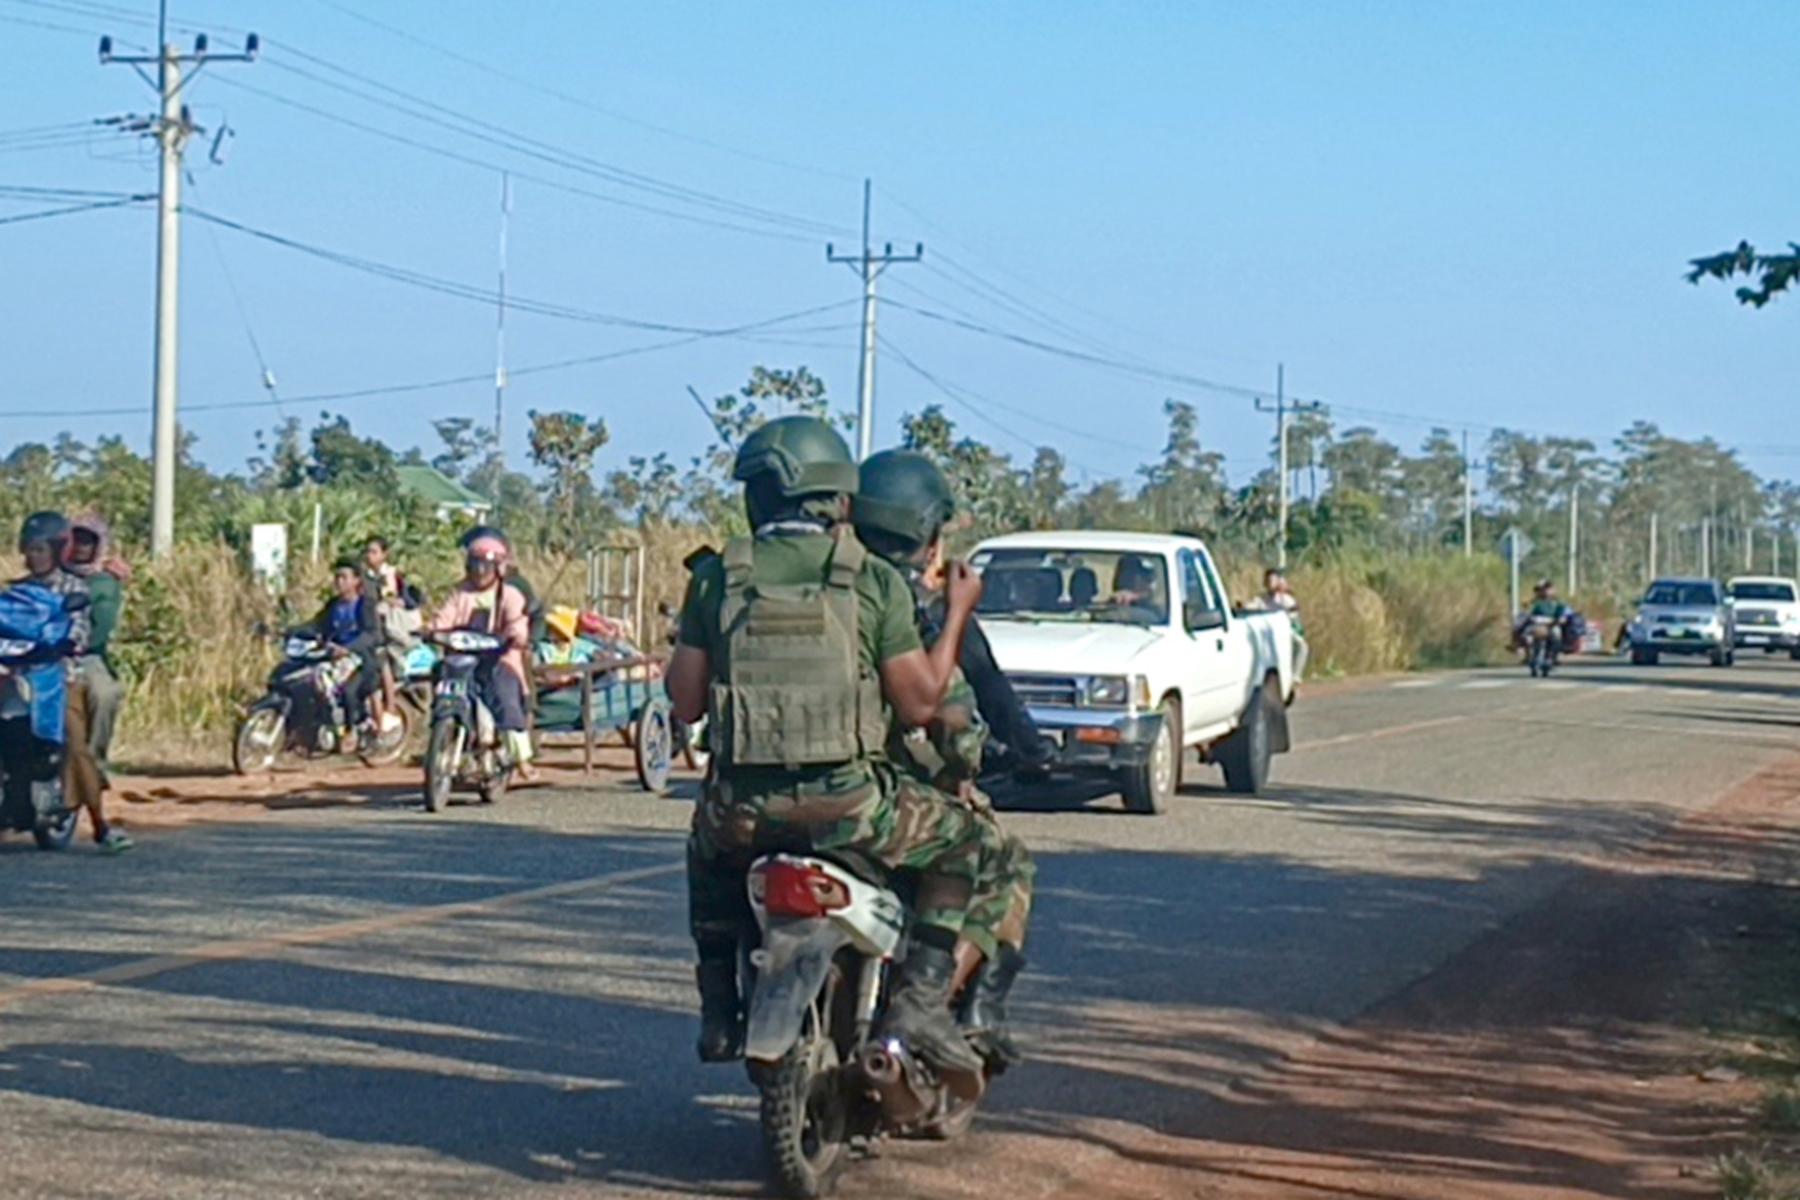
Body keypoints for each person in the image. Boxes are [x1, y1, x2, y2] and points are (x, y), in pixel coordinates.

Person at [667, 416, 1006, 1077]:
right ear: (839, 500)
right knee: (968, 845)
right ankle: (920, 1005)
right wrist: (958, 611)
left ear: (753, 497)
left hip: (742, 811)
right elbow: (920, 702)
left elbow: (684, 703)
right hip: (853, 810)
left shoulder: (716, 578)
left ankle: (718, 1006)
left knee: (705, 853)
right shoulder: (871, 580)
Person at [854, 448, 1038, 1066]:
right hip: (878, 804)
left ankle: (722, 997)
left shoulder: (814, 590)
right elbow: (953, 721)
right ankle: (951, 1008)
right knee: (1000, 858)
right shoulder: (915, 611)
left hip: (768, 803)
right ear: (928, 538)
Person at [17, 512, 130, 853]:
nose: (33, 556)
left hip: (58, 675)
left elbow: (82, 630)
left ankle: (100, 824)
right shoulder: (19, 590)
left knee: (74, 742)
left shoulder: (78, 589)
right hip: (16, 674)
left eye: (41, 549)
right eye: (29, 549)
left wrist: (61, 644)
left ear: (55, 550)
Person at [431, 535, 533, 769]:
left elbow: (518, 622)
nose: (480, 571)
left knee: (504, 695)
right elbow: (444, 617)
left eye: (486, 565)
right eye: (475, 564)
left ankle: (521, 758)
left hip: (500, 658)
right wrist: (432, 629)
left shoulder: (509, 595)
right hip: (462, 657)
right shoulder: (459, 592)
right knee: (440, 673)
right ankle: (444, 727)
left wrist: (513, 635)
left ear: (498, 568)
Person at [63, 513, 129, 774]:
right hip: (41, 653)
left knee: (105, 694)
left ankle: (94, 765)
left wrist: (71, 646)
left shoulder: (104, 583)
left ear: (98, 546)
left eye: (87, 541)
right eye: (75, 539)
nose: (80, 547)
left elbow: (100, 629)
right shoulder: (50, 572)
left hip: (86, 655)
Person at [308, 559, 382, 738]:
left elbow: (372, 635)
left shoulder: (365, 605)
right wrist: (286, 631)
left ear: (356, 580)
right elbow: (315, 625)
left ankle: (354, 729)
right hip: (336, 658)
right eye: (337, 577)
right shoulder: (333, 605)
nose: (339, 581)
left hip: (362, 660)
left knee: (349, 692)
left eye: (344, 577)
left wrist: (348, 648)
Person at [362, 536, 421, 726]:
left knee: (381, 663)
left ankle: (390, 708)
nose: (369, 556)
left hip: (389, 632)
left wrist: (395, 602)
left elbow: (413, 599)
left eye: (374, 552)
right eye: (367, 551)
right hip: (370, 628)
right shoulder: (363, 577)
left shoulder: (394, 575)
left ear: (384, 554)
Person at [1263, 567, 1309, 681]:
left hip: (1284, 630)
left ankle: (1295, 676)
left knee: (1301, 646)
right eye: (1268, 581)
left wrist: (1283, 596)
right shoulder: (1262, 599)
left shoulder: (1285, 598)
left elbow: (1294, 613)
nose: (1270, 584)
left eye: (1273, 581)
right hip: (1267, 631)